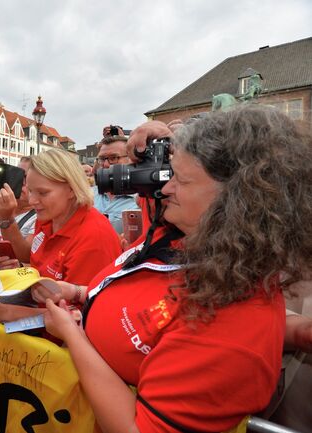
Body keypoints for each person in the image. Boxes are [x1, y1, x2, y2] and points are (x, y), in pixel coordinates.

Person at [42, 105, 312, 433]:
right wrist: (81, 294)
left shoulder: (233, 326)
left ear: (238, 201)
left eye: (180, 179)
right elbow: (143, 297)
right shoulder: (183, 235)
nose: (165, 189)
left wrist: (72, 334)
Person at [0, 148, 121, 323]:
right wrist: (20, 269)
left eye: (43, 193)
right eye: (30, 191)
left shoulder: (93, 237)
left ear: (71, 189)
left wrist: (2, 312)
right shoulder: (50, 216)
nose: (32, 200)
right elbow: (30, 256)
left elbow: (75, 319)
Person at [93, 135, 139, 234]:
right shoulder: (86, 196)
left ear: (131, 158)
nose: (105, 164)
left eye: (113, 158)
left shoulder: (143, 199)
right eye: (102, 159)